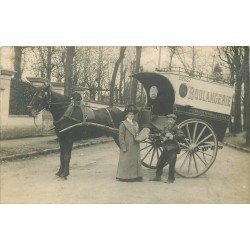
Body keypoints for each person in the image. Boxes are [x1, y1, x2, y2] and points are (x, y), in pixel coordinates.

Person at [150, 114, 185, 183]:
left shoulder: (176, 128)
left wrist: (173, 136)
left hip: (173, 148)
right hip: (166, 148)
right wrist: (163, 138)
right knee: (160, 162)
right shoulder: (166, 128)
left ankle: (171, 179)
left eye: (171, 120)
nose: (170, 121)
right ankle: (158, 177)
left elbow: (182, 135)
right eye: (169, 120)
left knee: (171, 164)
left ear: (174, 121)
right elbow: (161, 135)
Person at [116, 104, 143, 182]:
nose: (131, 115)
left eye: (132, 114)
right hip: (127, 145)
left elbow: (137, 133)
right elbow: (121, 137)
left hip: (135, 145)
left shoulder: (135, 123)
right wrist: (123, 147)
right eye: (130, 114)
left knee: (134, 160)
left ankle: (135, 176)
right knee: (126, 160)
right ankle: (125, 176)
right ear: (126, 115)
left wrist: (139, 137)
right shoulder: (123, 124)